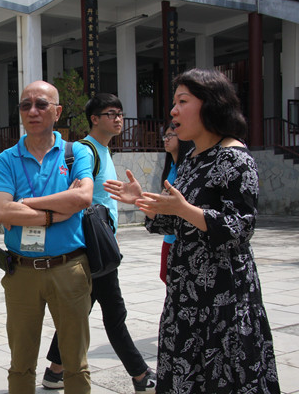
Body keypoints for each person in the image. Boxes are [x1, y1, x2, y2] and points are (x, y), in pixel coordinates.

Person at [103, 68, 280, 393]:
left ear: (211, 104)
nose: (173, 111)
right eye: (174, 102)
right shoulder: (193, 158)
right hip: (185, 295)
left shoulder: (235, 158)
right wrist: (143, 200)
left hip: (223, 300)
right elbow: (177, 220)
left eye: (182, 101)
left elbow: (239, 227)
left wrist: (184, 209)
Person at [40, 93, 157, 394]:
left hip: (99, 246)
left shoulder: (104, 151)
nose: (118, 119)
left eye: (120, 113)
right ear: (94, 119)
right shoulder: (85, 151)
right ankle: (140, 375)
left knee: (80, 312)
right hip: (90, 247)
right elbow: (72, 194)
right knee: (114, 315)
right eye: (111, 113)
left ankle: (54, 372)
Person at [0, 80, 94, 394]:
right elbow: (0, 211)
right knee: (20, 363)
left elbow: (83, 198)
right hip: (21, 271)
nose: (32, 111)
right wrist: (55, 213)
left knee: (75, 363)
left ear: (57, 112)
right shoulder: (7, 159)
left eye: (41, 104)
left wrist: (25, 204)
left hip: (69, 269)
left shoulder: (76, 153)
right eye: (26, 105)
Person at [158, 124, 192, 284]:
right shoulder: (171, 166)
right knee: (165, 276)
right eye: (165, 136)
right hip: (169, 234)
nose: (166, 140)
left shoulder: (187, 167)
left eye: (170, 136)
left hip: (181, 235)